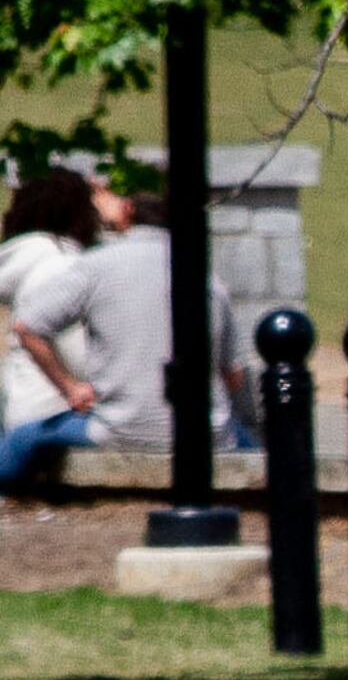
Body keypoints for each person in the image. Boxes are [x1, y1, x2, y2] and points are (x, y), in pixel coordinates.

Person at [0, 190, 245, 493]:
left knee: (21, 439)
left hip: (119, 428)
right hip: (207, 433)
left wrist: (70, 388)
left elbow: (28, 327)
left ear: (128, 211)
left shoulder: (97, 266)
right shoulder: (206, 275)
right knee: (253, 443)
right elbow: (234, 376)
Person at [0, 170, 100, 441]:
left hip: (24, 412)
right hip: (60, 413)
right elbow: (81, 357)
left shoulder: (29, 262)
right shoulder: (61, 266)